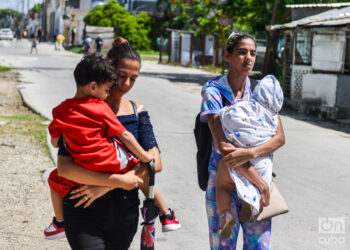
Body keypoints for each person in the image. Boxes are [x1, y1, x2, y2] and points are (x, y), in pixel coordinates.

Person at [44, 39, 180, 248]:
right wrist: (118, 179)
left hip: (124, 212)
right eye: (121, 76)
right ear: (106, 72)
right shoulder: (77, 111)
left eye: (133, 79)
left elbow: (154, 164)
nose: (125, 84)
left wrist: (107, 185)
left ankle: (166, 213)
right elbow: (65, 168)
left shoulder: (137, 112)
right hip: (82, 208)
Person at [200, 32, 285, 249]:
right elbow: (223, 146)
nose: (249, 58)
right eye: (242, 52)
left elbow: (279, 137)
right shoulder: (214, 91)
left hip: (256, 180)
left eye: (253, 53)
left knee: (259, 246)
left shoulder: (259, 90)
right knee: (223, 246)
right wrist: (260, 183)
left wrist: (250, 153)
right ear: (227, 56)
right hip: (226, 181)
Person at [216, 75, 284, 239]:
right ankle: (248, 201)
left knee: (222, 186)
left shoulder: (243, 109)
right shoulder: (274, 118)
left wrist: (224, 111)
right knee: (252, 184)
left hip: (235, 162)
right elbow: (279, 138)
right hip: (262, 165)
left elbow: (225, 117)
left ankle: (226, 214)